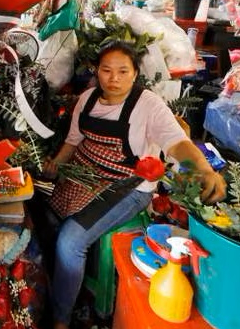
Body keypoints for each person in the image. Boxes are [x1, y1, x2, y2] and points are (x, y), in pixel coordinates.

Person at [42, 41, 226, 329]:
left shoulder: (148, 105)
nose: (114, 79)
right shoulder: (87, 99)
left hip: (128, 187)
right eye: (106, 70)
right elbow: (73, 140)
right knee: (47, 217)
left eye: (123, 71)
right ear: (96, 71)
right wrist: (56, 163)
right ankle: (60, 282)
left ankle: (61, 319)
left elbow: (177, 142)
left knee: (70, 241)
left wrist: (202, 169)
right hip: (85, 175)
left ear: (135, 73)